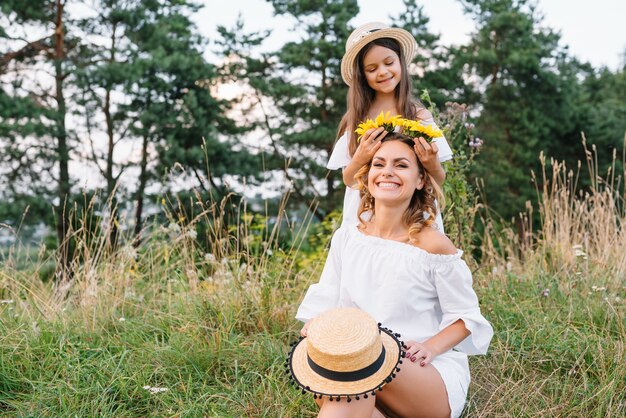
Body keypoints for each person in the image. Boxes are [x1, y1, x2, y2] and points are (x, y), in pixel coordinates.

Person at [295, 133, 493, 418]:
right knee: (343, 369)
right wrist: (318, 325)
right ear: (367, 176)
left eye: (401, 165)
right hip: (359, 372)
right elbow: (328, 296)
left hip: (421, 375)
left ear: (420, 180)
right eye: (379, 164)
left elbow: (467, 318)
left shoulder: (433, 246)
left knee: (364, 355)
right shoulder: (347, 238)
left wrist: (430, 347)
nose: (387, 171)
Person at [328, 22, 453, 230]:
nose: (383, 72)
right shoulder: (356, 120)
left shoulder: (418, 116)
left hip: (411, 215)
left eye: (389, 62)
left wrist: (431, 163)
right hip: (365, 217)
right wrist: (361, 156)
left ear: (400, 63)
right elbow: (349, 180)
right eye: (372, 68)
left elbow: (439, 178)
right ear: (362, 75)